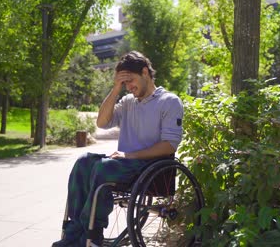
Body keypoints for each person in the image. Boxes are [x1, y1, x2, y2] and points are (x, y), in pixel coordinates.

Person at [52, 51, 184, 247]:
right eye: (125, 83)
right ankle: (76, 233)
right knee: (84, 162)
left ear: (145, 72)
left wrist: (130, 155)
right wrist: (115, 90)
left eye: (131, 81)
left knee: (103, 168)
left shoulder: (169, 101)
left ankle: (89, 235)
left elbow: (170, 145)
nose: (129, 87)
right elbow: (102, 122)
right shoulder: (128, 102)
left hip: (150, 167)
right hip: (125, 164)